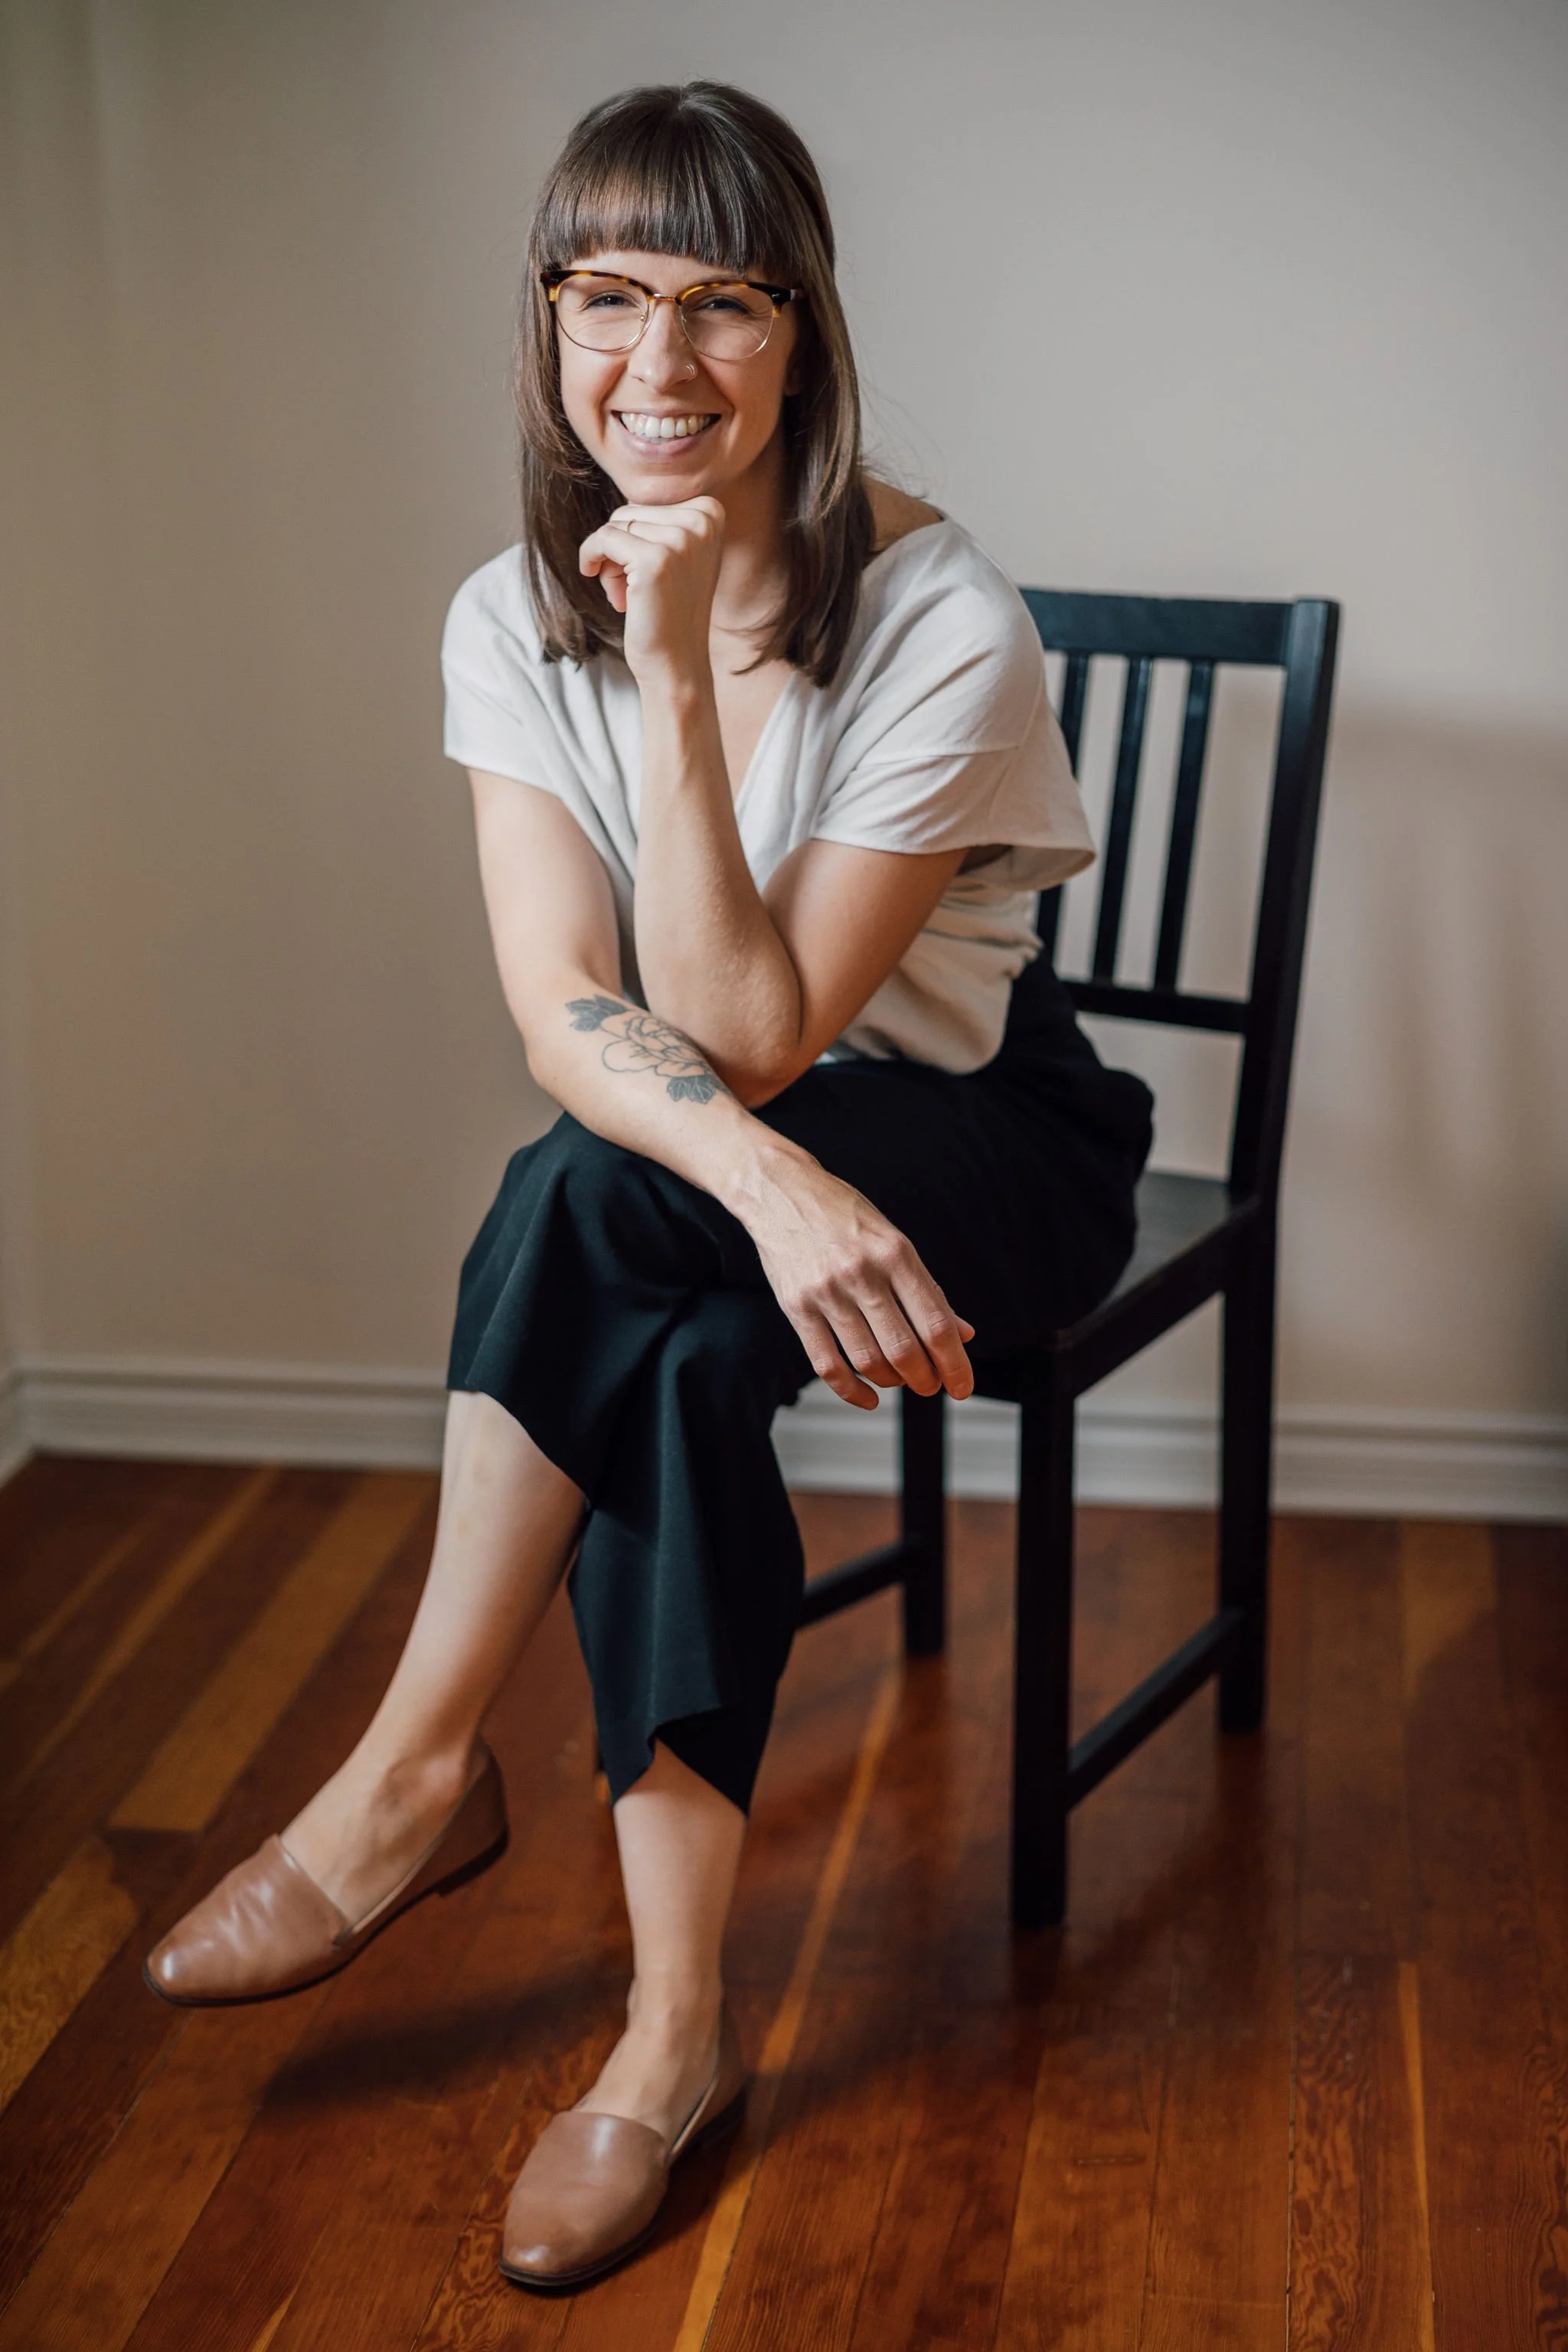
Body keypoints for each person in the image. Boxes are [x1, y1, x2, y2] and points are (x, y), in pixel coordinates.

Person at [142, 80, 1153, 2288]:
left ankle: (409, 1782)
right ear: (547, 320)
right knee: (674, 1320)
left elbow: (756, 1027)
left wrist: (682, 672)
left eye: (722, 303)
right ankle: (669, 2036)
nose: (659, 364)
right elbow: (563, 1008)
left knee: (590, 1202)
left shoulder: (944, 615)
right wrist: (774, 1201)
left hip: (992, 1132)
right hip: (749, 1180)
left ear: (804, 336)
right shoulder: (506, 615)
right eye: (607, 297)